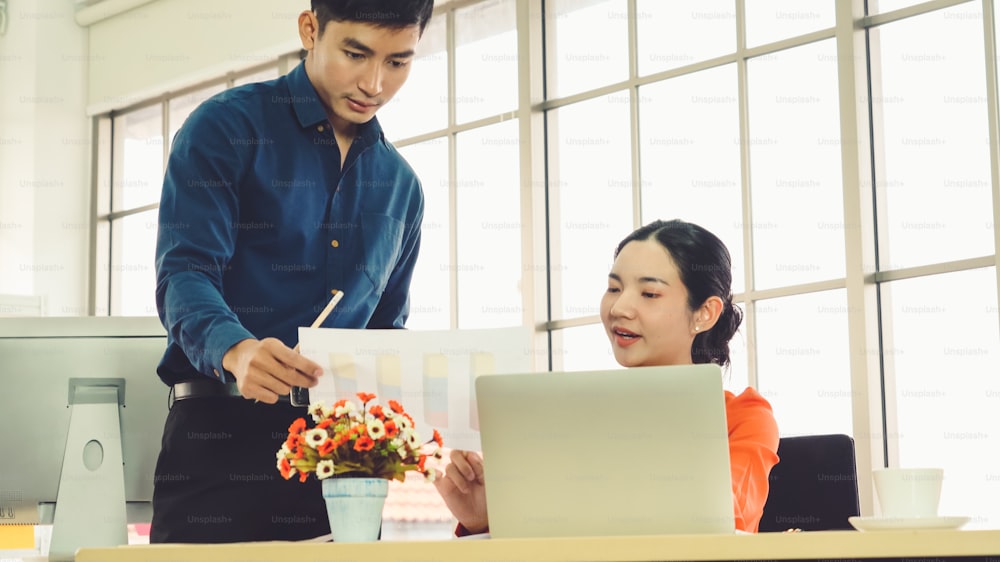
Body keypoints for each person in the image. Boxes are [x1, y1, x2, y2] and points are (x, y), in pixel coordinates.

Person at [151, 0, 434, 543]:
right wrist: (238, 350)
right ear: (310, 30)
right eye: (356, 53)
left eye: (398, 62)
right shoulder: (224, 128)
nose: (374, 82)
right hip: (219, 445)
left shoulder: (402, 188)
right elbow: (184, 273)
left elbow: (385, 333)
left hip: (342, 462)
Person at [435, 219, 780, 534]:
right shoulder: (569, 416)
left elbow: (722, 520)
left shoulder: (745, 417)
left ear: (704, 313)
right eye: (614, 289)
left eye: (649, 294)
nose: (618, 308)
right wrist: (485, 520)